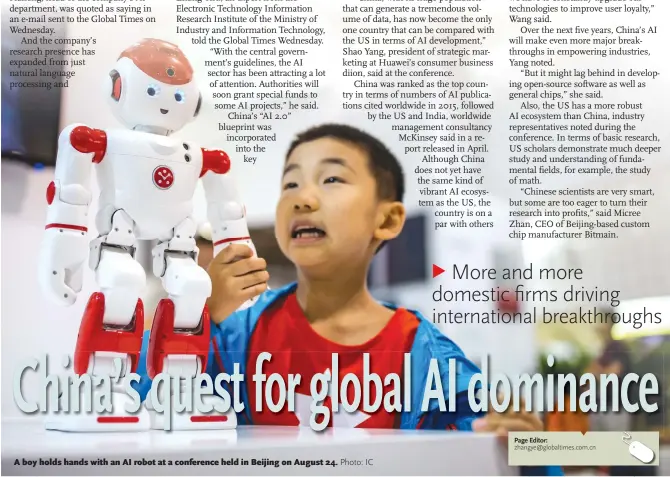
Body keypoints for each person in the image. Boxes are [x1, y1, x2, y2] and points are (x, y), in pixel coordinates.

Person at [134, 124, 559, 474]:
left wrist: (523, 450)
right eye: (290, 183)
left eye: (332, 178)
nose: (303, 197)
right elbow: (129, 407)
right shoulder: (236, 337)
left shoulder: (428, 356)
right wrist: (195, 319)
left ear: (388, 219)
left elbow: (502, 451)